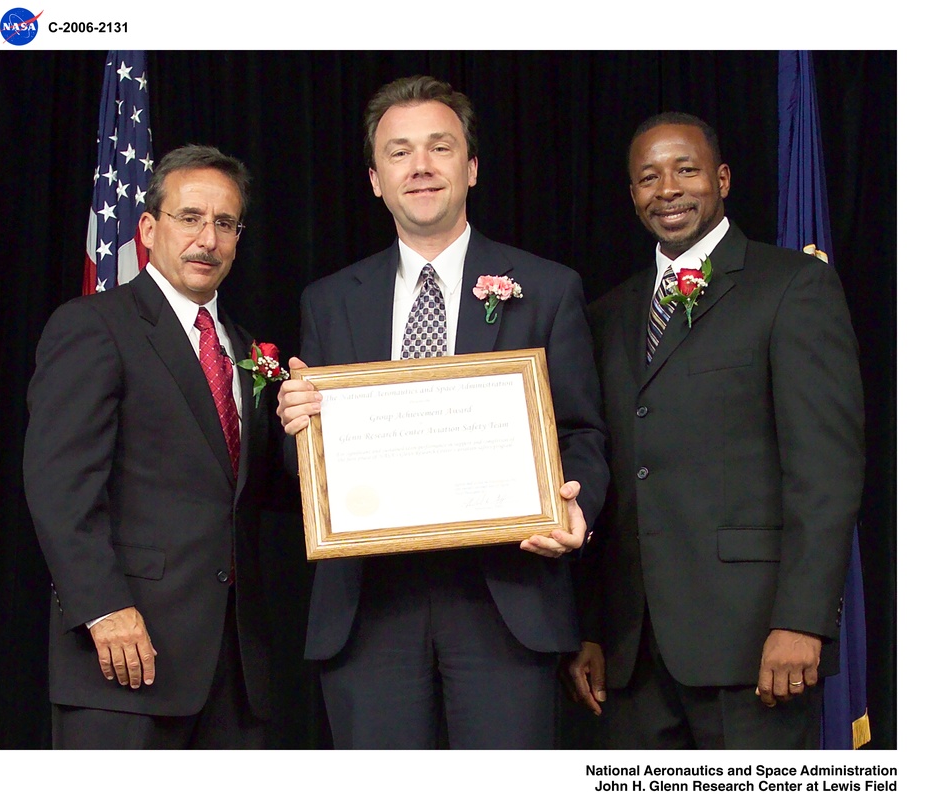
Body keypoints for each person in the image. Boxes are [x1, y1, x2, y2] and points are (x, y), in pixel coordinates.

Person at [277, 75, 608, 749]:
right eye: (399, 152)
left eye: (440, 147)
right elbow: (309, 465)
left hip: (505, 604)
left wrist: (577, 507)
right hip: (369, 612)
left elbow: (580, 432)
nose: (420, 167)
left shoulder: (545, 287)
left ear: (472, 166)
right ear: (375, 178)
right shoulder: (329, 301)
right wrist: (296, 428)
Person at [566, 112, 865, 749]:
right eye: (648, 177)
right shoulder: (605, 314)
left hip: (756, 645)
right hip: (632, 657)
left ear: (722, 179)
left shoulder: (791, 287)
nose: (666, 188)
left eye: (686, 170)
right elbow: (607, 476)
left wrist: (802, 621)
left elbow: (825, 474)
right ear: (632, 195)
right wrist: (591, 628)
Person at [24, 144, 285, 748]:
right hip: (123, 658)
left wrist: (323, 436)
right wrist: (102, 606)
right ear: (148, 228)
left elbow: (263, 488)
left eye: (225, 224)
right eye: (189, 217)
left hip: (234, 672)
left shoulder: (244, 347)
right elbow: (59, 486)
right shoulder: (94, 325)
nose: (208, 239)